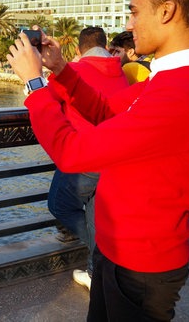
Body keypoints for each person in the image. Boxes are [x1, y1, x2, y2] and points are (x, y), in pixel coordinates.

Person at [7, 0, 189, 321]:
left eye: (135, 12)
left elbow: (72, 151)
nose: (128, 24)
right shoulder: (171, 82)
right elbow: (105, 110)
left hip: (141, 266)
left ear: (167, 11)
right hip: (120, 252)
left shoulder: (183, 94)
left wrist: (34, 86)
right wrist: (60, 69)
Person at [48, 26, 128, 291]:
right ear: (104, 46)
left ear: (81, 49)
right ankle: (97, 272)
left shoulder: (76, 71)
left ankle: (103, 253)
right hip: (114, 156)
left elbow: (46, 99)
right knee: (95, 212)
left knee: (59, 205)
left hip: (84, 156)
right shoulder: (121, 72)